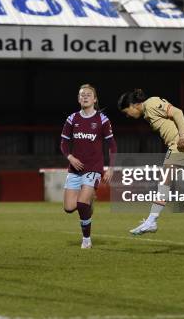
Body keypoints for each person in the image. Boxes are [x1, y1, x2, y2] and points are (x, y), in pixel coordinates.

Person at [117, 89, 184, 235]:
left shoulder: (151, 103)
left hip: (181, 143)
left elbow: (177, 112)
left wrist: (182, 136)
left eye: (126, 112)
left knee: (164, 180)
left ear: (132, 105)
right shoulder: (147, 113)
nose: (128, 116)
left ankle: (152, 220)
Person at [60, 84, 116, 249]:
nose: (85, 97)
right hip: (75, 170)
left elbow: (112, 145)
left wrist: (111, 168)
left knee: (82, 204)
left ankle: (86, 240)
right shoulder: (72, 119)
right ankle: (90, 200)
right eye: (82, 94)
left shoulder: (102, 120)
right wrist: (70, 157)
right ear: (78, 99)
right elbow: (63, 143)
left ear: (94, 99)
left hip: (93, 168)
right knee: (69, 208)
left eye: (88, 94)